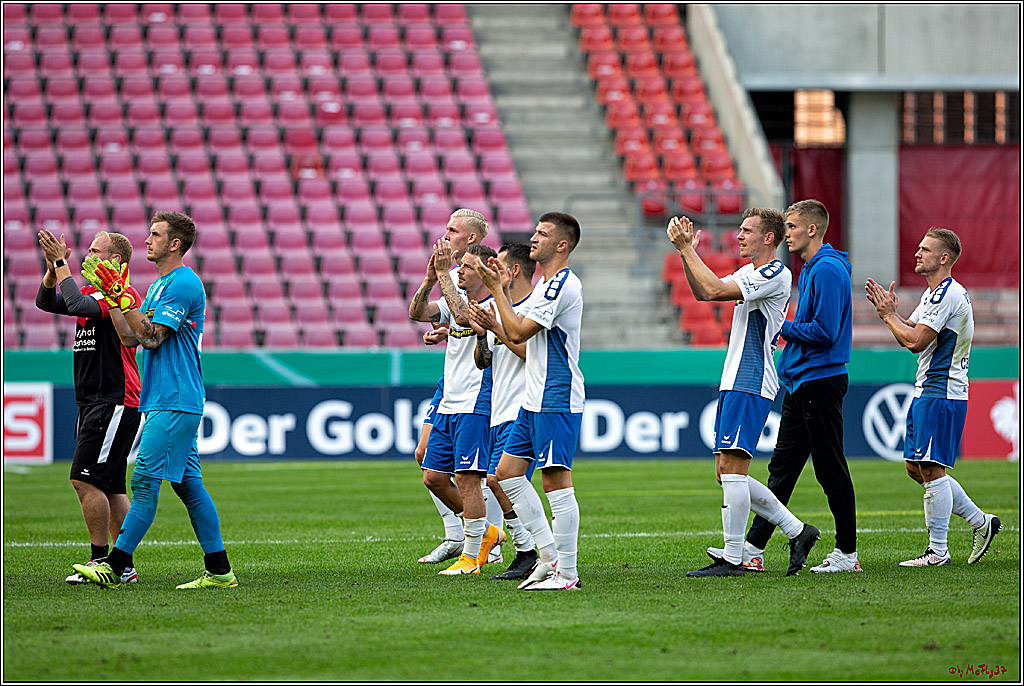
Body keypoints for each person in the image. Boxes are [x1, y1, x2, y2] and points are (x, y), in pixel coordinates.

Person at [71, 211, 237, 589]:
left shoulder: (183, 284)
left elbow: (152, 337)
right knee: (188, 484)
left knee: (144, 480)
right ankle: (220, 570)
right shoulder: (161, 285)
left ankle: (115, 566)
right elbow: (130, 339)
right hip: (166, 396)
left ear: (174, 243)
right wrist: (115, 300)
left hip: (176, 397)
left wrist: (121, 300)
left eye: (155, 234)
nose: (147, 240)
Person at [665, 211, 821, 577]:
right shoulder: (750, 273)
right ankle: (798, 531)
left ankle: (735, 557)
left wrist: (688, 249)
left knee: (733, 469)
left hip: (751, 377)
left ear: (770, 238)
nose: (738, 236)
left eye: (747, 230)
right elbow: (705, 293)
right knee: (726, 472)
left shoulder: (775, 272)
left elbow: (717, 290)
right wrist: (685, 252)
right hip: (736, 376)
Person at [865, 228, 1000, 566]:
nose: (917, 253)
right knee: (916, 468)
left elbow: (914, 342)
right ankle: (980, 522)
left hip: (942, 390)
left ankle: (938, 551)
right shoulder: (933, 294)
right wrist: (892, 312)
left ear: (943, 258)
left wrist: (887, 316)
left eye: (925, 249)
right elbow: (910, 329)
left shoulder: (947, 295)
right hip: (929, 389)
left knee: (931, 469)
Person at [739, 199, 860, 573]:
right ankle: (752, 549)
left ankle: (847, 554)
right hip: (803, 379)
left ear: (812, 229)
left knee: (829, 468)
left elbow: (824, 332)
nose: (785, 234)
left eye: (791, 227)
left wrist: (781, 326)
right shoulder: (812, 269)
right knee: (783, 468)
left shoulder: (825, 270)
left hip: (819, 380)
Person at [475, 212, 585, 591]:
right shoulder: (544, 286)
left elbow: (519, 329)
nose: (533, 237)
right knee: (505, 475)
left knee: (556, 481)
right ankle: (548, 556)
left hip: (556, 394)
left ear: (562, 245)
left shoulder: (561, 286)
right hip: (533, 397)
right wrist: (498, 306)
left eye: (542, 233)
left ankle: (567, 574)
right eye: (535, 231)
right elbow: (520, 341)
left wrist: (498, 292)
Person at [36, 230, 143, 585]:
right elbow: (46, 301)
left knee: (82, 480)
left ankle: (102, 561)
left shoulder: (121, 294)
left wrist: (62, 263)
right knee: (112, 487)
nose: (88, 256)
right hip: (96, 399)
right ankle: (122, 565)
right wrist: (54, 267)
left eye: (96, 251)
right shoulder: (91, 292)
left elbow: (79, 307)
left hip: (113, 398)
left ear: (115, 261)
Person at [410, 241, 506, 575]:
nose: (458, 270)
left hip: (476, 401)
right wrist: (427, 281)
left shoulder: (494, 305)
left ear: (484, 269)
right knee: (433, 477)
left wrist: (442, 275)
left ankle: (470, 557)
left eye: (465, 265)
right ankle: (487, 533)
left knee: (468, 479)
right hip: (449, 400)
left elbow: (465, 317)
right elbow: (417, 314)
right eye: (458, 266)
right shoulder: (456, 299)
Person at [468, 243, 540, 580]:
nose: (491, 271)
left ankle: (534, 551)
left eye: (499, 266)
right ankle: (530, 551)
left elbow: (531, 354)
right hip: (500, 407)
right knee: (500, 481)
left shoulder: (534, 307)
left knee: (500, 478)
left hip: (523, 407)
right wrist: (482, 336)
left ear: (512, 271)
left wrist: (496, 328)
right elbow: (485, 362)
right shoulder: (501, 308)